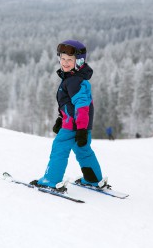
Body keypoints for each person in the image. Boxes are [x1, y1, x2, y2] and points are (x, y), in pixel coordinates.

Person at [30, 40, 107, 192]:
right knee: (83, 150)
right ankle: (93, 179)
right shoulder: (74, 79)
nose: (65, 63)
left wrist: (80, 129)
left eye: (69, 60)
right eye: (63, 59)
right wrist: (61, 119)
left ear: (78, 62)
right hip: (78, 125)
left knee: (59, 148)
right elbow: (70, 105)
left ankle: (51, 180)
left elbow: (82, 106)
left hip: (75, 126)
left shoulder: (74, 81)